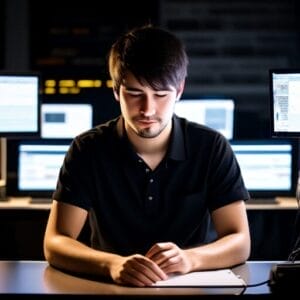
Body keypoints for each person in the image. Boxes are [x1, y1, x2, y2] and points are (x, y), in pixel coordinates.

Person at [43, 24, 251, 287]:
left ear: (179, 90)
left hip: (191, 289)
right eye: (134, 93)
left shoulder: (211, 147)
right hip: (109, 288)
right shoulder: (87, 149)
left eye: (161, 94)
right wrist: (111, 263)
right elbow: (56, 241)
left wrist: (190, 258)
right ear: (116, 91)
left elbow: (240, 240)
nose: (148, 110)